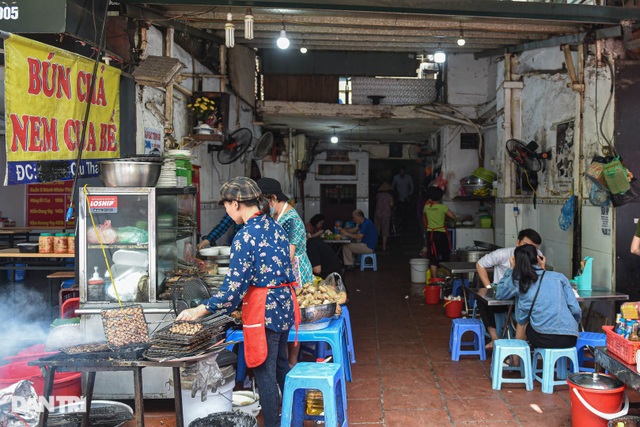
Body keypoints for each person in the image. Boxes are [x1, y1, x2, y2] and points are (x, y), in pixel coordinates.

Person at [176, 177, 299, 427]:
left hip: (265, 309)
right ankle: (294, 418)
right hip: (285, 305)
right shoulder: (275, 227)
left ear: (236, 204)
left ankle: (275, 424)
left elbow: (233, 290)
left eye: (226, 206)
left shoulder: (245, 236)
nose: (227, 211)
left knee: (264, 372)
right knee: (280, 365)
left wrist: (201, 309)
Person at [257, 177, 313, 367]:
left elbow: (287, 255)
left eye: (263, 201)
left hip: (295, 272)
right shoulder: (278, 216)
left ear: (272, 198)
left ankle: (291, 361)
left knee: (293, 317)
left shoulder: (291, 220)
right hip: (287, 271)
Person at [495, 244, 581, 349]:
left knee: (523, 321)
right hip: (570, 337)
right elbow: (575, 309)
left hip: (542, 337)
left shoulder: (519, 280)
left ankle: (517, 360)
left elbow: (499, 294)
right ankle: (554, 362)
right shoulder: (559, 277)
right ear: (537, 258)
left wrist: (511, 270)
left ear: (516, 261)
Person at [476, 228, 543, 349]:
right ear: (517, 243)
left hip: (524, 299)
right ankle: (495, 338)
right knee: (482, 300)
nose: (528, 251)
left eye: (533, 248)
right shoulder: (502, 254)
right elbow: (480, 264)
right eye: (525, 245)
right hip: (502, 296)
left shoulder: (538, 257)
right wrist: (488, 287)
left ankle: (527, 342)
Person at [422, 186, 463, 279]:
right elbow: (453, 217)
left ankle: (434, 279)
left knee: (432, 257)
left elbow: (424, 218)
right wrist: (458, 219)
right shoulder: (442, 207)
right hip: (441, 234)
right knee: (445, 255)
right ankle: (448, 277)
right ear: (440, 197)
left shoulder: (426, 207)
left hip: (430, 234)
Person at [374, 182, 394, 251]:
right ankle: (384, 246)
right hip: (386, 214)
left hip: (378, 213)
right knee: (385, 230)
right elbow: (391, 204)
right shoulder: (389, 196)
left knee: (377, 229)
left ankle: (375, 244)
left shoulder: (378, 195)